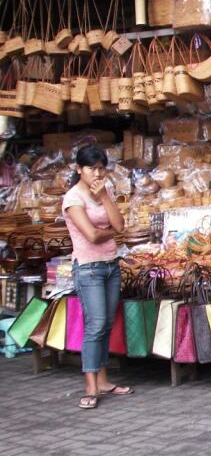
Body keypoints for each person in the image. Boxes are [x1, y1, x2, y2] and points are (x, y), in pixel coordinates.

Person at [62, 145, 129, 410]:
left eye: (101, 168)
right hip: (88, 267)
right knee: (96, 324)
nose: (97, 173)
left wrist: (104, 198)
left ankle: (102, 380)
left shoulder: (106, 191)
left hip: (110, 264)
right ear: (79, 169)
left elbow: (120, 224)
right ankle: (90, 385)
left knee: (106, 324)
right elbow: (91, 235)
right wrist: (110, 231)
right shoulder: (73, 198)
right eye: (91, 168)